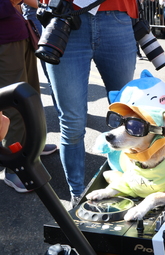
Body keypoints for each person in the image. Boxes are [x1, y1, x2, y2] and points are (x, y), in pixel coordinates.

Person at [40, 0, 138, 207]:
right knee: (72, 123)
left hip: (117, 16)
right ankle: (77, 195)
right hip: (64, 18)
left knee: (127, 118)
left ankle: (129, 185)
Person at [0, 0, 57, 193]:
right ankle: (14, 167)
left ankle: (32, 147)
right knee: (13, 106)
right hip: (4, 39)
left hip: (18, 33)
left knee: (30, 96)